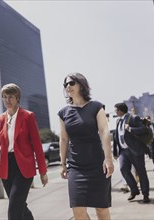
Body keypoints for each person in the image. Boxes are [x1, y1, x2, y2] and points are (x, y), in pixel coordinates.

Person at [0, 83, 48, 220]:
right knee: (20, 205)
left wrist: (43, 171)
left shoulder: (28, 116)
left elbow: (37, 146)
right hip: (7, 168)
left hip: (24, 168)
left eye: (10, 97)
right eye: (4, 97)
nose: (7, 100)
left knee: (14, 207)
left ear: (17, 98)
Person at [58, 73, 114, 220]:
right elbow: (64, 139)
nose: (67, 87)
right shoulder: (64, 112)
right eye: (65, 85)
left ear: (81, 84)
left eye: (71, 83)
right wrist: (62, 163)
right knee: (78, 211)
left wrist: (108, 159)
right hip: (76, 166)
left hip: (98, 164)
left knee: (101, 209)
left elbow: (104, 131)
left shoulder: (96, 106)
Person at [113, 103, 150, 203]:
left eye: (116, 110)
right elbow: (116, 137)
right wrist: (115, 152)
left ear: (120, 110)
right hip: (123, 151)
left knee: (141, 172)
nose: (115, 112)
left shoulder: (133, 118)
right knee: (123, 169)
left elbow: (144, 129)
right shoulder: (118, 121)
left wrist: (130, 128)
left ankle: (145, 194)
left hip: (135, 150)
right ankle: (134, 190)